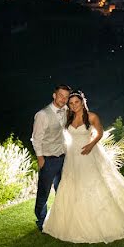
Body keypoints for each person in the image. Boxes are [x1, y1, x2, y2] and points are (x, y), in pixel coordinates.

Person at [42, 90, 124, 243]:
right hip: (73, 157)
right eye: (71, 103)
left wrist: (90, 145)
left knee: (94, 183)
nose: (74, 105)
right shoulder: (68, 118)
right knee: (71, 184)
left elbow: (100, 133)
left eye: (76, 102)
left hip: (89, 154)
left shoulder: (92, 116)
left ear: (82, 102)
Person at [32, 84, 71, 231]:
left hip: (63, 157)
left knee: (61, 190)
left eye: (66, 97)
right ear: (54, 95)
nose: (63, 99)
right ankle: (41, 221)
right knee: (44, 192)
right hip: (48, 160)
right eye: (61, 95)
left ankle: (60, 218)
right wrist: (40, 159)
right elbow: (36, 139)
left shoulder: (66, 110)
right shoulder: (42, 115)